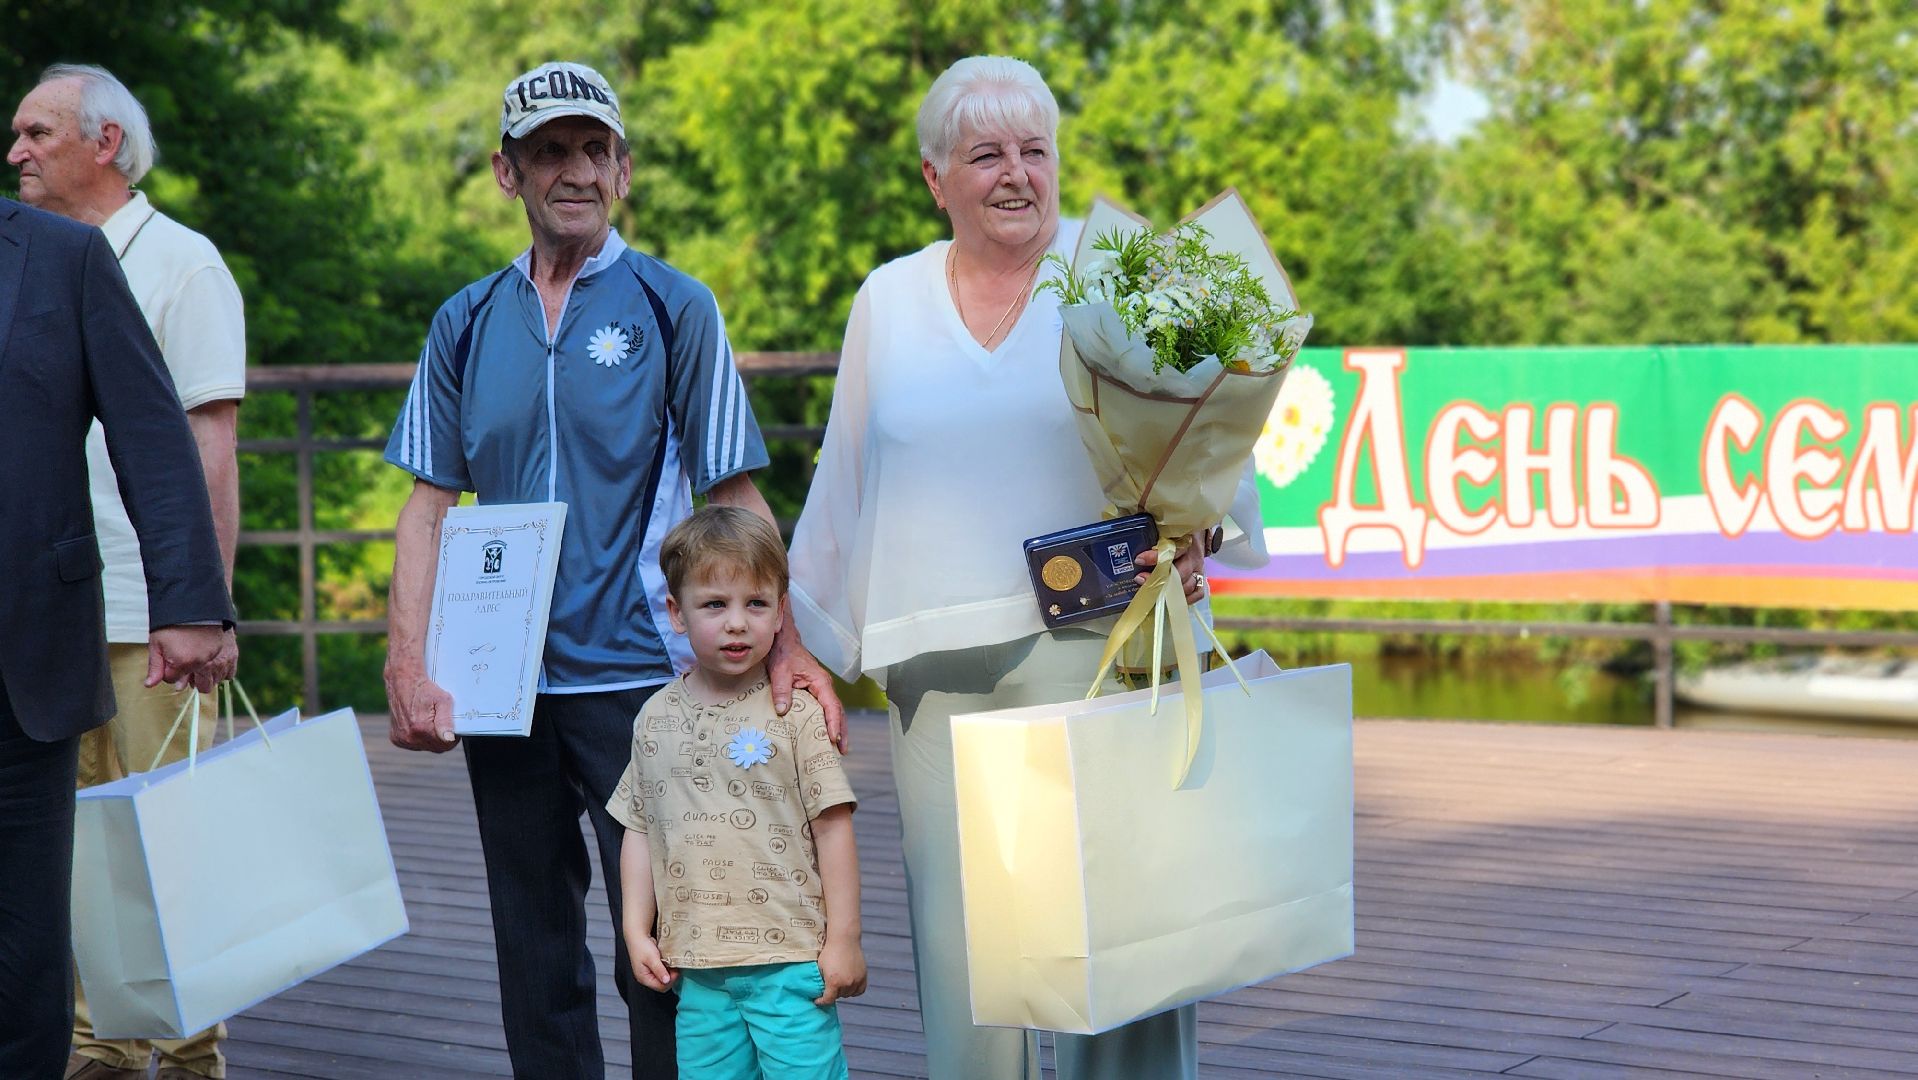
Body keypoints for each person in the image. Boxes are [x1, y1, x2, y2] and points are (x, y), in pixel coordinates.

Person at [787, 55, 1267, 1080]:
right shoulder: (886, 300)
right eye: (986, 154)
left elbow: (1225, 459)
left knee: (1124, 953)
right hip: (938, 669)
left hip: (1106, 652)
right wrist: (801, 646)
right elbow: (846, 477)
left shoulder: (1131, 273)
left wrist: (1197, 536)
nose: (1015, 174)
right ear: (935, 178)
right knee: (968, 960)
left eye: (1034, 150)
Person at [381, 61, 843, 1080]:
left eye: (595, 150)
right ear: (509, 174)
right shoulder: (463, 321)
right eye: (550, 151)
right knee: (530, 940)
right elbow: (425, 507)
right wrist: (408, 666)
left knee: (669, 941)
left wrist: (791, 650)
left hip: (641, 677)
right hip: (499, 689)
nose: (575, 170)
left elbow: (733, 492)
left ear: (623, 168)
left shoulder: (674, 305)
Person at [8, 62, 247, 1080]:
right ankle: (99, 1047)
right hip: (59, 603)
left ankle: (190, 1051)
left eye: (37, 133)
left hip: (138, 605)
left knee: (163, 842)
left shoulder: (179, 265)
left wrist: (201, 604)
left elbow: (198, 446)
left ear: (103, 142)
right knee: (73, 864)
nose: (16, 151)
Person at [608, 506, 863, 1080]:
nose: (737, 623)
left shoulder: (794, 713)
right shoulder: (654, 719)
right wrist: (633, 928)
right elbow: (640, 829)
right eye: (714, 604)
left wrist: (844, 940)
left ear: (780, 612)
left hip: (791, 961)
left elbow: (833, 825)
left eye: (757, 603)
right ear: (676, 612)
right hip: (698, 970)